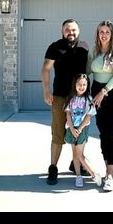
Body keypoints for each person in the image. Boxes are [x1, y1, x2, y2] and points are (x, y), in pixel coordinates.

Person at [42, 19, 89, 185]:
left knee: (78, 132)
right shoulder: (55, 47)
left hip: (79, 99)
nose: (71, 33)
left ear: (79, 30)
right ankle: (53, 167)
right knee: (58, 132)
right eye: (68, 30)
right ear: (63, 32)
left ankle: (75, 162)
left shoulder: (84, 47)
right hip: (60, 97)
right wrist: (47, 91)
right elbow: (46, 69)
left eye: (74, 30)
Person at [87, 20, 113, 193]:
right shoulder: (94, 52)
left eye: (107, 32)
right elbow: (85, 71)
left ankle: (110, 176)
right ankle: (106, 169)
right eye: (101, 31)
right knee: (103, 132)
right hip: (96, 91)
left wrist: (103, 92)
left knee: (112, 133)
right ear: (97, 34)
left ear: (112, 35)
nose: (104, 34)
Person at [64, 74, 103, 188]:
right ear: (74, 85)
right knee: (74, 155)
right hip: (71, 128)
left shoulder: (89, 99)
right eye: (79, 84)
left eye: (84, 84)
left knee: (79, 155)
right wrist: (72, 129)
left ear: (87, 85)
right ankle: (78, 176)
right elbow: (68, 115)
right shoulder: (70, 98)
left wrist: (79, 129)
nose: (82, 87)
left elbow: (88, 116)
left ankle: (94, 174)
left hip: (82, 129)